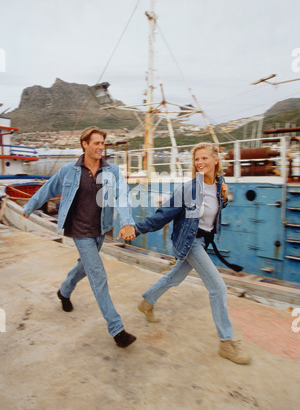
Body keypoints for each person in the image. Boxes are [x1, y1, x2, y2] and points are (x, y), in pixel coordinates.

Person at [132, 142, 250, 364]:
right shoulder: (187, 189)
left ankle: (147, 301)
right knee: (218, 288)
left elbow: (215, 208)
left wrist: (224, 198)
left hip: (203, 241)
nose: (200, 163)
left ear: (216, 160)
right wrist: (137, 229)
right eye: (197, 159)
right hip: (190, 242)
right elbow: (162, 215)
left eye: (204, 158)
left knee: (175, 277)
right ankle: (226, 342)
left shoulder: (219, 183)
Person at [23, 126, 137, 348]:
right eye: (96, 143)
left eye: (103, 144)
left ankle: (64, 291)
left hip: (100, 229)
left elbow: (122, 196)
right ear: (84, 144)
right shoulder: (69, 170)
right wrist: (29, 206)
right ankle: (117, 329)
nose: (101, 148)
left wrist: (127, 222)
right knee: (98, 275)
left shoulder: (112, 171)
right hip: (79, 230)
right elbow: (48, 189)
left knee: (84, 268)